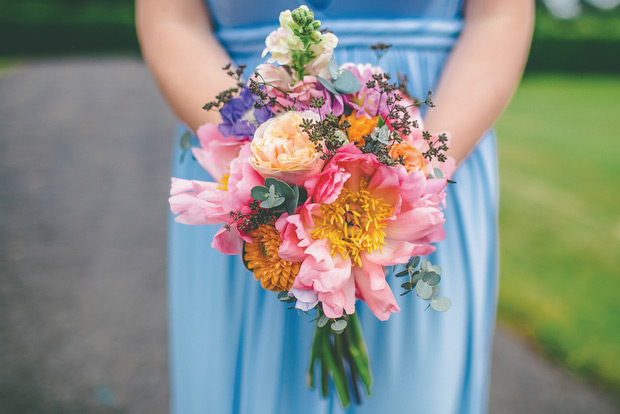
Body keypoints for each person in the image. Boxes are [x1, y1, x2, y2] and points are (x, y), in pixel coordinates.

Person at [136, 0, 533, 413]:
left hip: (437, 130)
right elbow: (171, 18)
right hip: (240, 140)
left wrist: (414, 174)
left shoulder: (421, 166)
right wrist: (270, 161)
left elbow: (500, 15)